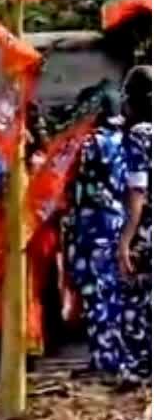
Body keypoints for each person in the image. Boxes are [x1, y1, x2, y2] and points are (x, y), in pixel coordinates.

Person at [67, 82, 150, 385]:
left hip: (93, 227)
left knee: (96, 295)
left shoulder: (93, 143)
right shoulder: (123, 139)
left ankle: (108, 363)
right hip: (115, 221)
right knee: (112, 294)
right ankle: (112, 359)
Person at [117, 67, 152, 384]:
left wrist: (125, 240)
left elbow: (138, 192)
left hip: (146, 230)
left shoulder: (140, 135)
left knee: (137, 298)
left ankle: (142, 369)